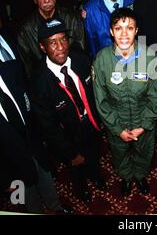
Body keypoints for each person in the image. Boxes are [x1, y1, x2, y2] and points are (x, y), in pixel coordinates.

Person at [0, 32, 70, 214]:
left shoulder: (13, 70)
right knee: (29, 202)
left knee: (47, 184)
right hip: (11, 166)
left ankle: (56, 206)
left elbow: (30, 110)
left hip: (36, 150)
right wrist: (3, 179)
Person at [29, 18, 105, 204]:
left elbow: (95, 91)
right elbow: (48, 126)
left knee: (94, 154)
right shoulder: (38, 82)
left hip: (91, 123)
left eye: (63, 39)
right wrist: (69, 153)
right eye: (53, 42)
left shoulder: (81, 59)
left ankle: (95, 175)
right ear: (42, 47)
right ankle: (82, 188)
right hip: (67, 134)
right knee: (76, 166)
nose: (61, 47)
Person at [93, 8, 157, 196]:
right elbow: (101, 100)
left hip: (143, 120)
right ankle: (126, 177)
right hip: (117, 121)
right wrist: (118, 129)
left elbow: (156, 95)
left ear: (137, 30)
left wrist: (144, 125)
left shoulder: (150, 56)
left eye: (129, 28)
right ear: (111, 31)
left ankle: (140, 176)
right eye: (118, 28)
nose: (124, 34)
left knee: (144, 153)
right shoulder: (101, 59)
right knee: (119, 154)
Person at [17, 0, 86, 79]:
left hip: (73, 74)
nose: (46, 0)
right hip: (45, 81)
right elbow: (28, 66)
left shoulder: (72, 18)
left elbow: (81, 51)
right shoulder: (26, 29)